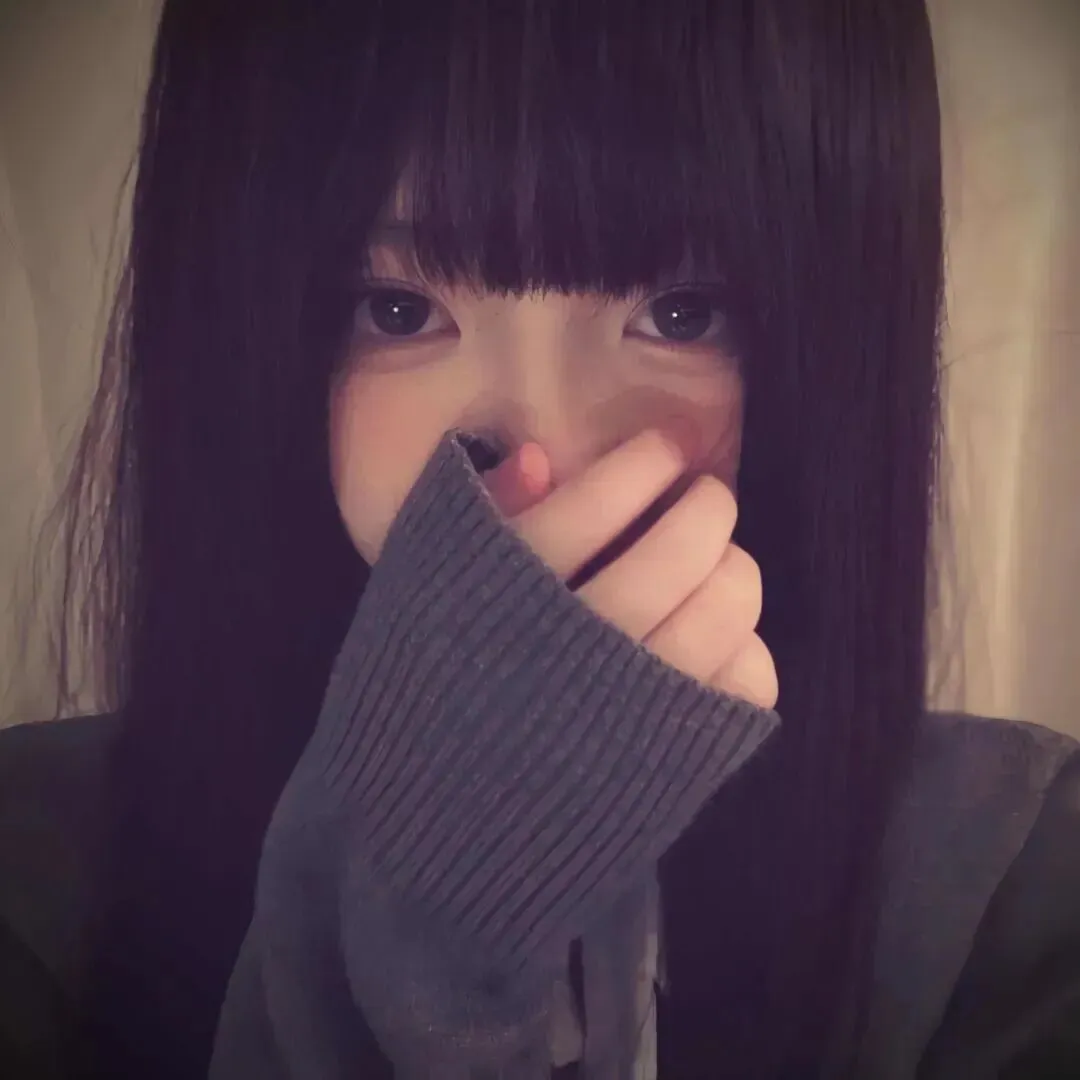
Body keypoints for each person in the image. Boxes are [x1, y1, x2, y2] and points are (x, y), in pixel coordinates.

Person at [1, 1, 1078, 1077]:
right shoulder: (34, 875)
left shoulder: (1010, 880)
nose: (546, 451)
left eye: (682, 313)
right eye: (395, 309)